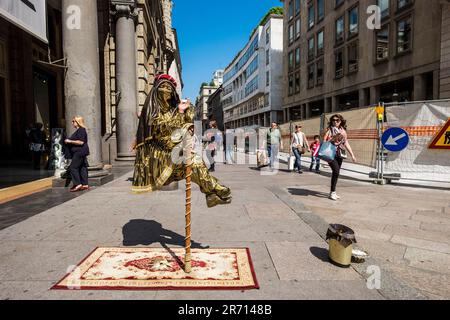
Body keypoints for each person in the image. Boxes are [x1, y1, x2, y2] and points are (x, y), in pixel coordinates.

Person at [132, 74, 231, 208]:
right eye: (163, 87)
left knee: (196, 162)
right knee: (193, 163)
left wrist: (187, 111)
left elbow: (187, 124)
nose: (166, 91)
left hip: (176, 155)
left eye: (169, 88)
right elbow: (164, 130)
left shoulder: (173, 110)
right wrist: (179, 112)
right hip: (161, 161)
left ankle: (212, 194)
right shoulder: (152, 112)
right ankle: (214, 189)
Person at [323, 114, 356, 201]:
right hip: (331, 153)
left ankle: (332, 192)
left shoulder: (343, 131)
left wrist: (352, 155)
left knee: (336, 173)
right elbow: (324, 140)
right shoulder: (329, 130)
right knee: (336, 171)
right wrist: (332, 139)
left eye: (337, 120)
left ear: (340, 121)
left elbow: (346, 143)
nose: (335, 122)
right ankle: (332, 192)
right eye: (333, 120)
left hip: (339, 154)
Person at [65, 116, 90, 192]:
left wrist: (69, 141)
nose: (72, 123)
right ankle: (85, 184)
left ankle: (78, 184)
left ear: (78, 122)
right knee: (82, 167)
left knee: (73, 167)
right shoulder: (79, 130)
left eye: (73, 121)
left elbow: (81, 142)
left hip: (79, 152)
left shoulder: (81, 130)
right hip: (81, 151)